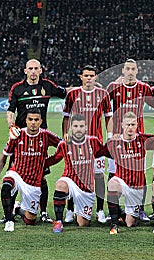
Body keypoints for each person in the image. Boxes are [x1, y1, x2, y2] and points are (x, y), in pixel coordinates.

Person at [0, 59, 66, 224]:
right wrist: (11, 127)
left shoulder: (47, 86)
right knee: (13, 175)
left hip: (40, 138)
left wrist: (85, 87)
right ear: (25, 70)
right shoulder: (18, 88)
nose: (33, 71)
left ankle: (42, 212)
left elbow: (66, 92)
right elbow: (10, 110)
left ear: (41, 70)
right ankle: (9, 213)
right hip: (20, 139)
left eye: (36, 68)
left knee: (41, 176)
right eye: (30, 68)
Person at [0, 108, 62, 232]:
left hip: (33, 182)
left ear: (41, 121)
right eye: (30, 119)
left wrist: (47, 162)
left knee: (30, 220)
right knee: (7, 186)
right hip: (17, 174)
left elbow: (62, 146)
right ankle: (9, 220)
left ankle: (17, 208)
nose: (33, 122)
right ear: (26, 120)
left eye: (36, 120)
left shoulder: (46, 135)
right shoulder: (17, 135)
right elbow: (4, 155)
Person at [62, 65, 113, 224]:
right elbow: (66, 116)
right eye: (86, 75)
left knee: (98, 176)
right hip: (76, 144)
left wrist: (109, 137)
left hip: (95, 144)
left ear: (96, 77)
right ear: (81, 77)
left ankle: (99, 210)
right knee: (73, 175)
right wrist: (65, 134)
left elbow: (108, 117)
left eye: (92, 75)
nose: (89, 78)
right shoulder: (72, 94)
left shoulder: (103, 94)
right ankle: (70, 210)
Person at [107, 59, 154, 222]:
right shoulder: (114, 87)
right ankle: (113, 209)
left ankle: (140, 209)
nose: (130, 71)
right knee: (113, 173)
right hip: (117, 138)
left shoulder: (144, 88)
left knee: (139, 173)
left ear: (137, 71)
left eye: (132, 69)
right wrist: (109, 134)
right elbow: (106, 110)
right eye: (127, 68)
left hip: (137, 138)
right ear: (123, 71)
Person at [46, 114, 106, 233]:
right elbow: (54, 159)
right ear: (70, 128)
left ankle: (80, 211)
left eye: (81, 126)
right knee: (60, 185)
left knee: (83, 224)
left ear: (86, 128)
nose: (78, 129)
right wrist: (38, 164)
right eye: (75, 126)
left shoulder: (93, 142)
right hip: (70, 180)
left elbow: (105, 151)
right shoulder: (64, 144)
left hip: (86, 187)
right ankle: (59, 221)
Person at [104, 112, 154, 234]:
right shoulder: (114, 143)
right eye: (127, 124)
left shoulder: (143, 140)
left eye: (133, 124)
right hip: (121, 182)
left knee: (130, 223)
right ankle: (114, 223)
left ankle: (123, 213)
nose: (130, 127)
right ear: (122, 125)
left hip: (137, 188)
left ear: (137, 125)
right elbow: (96, 150)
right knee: (112, 184)